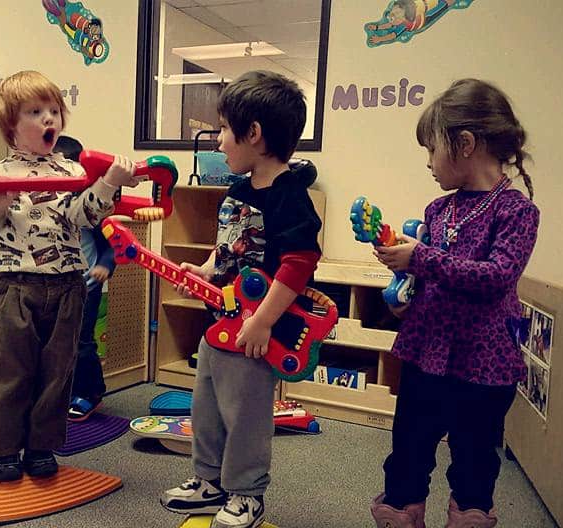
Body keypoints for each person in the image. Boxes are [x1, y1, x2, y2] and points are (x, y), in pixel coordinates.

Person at [370, 78, 540, 528]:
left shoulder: (516, 211)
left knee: (475, 458)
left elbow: (497, 276)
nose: (427, 162)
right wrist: (405, 274)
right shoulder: (437, 211)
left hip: (484, 363)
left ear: (465, 144)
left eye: (432, 150)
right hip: (427, 352)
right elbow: (433, 276)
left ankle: (468, 516)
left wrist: (421, 258)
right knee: (408, 448)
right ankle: (401, 513)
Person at [160, 70, 323, 528]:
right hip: (219, 324)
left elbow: (299, 262)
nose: (218, 144)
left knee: (247, 417)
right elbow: (231, 245)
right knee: (206, 407)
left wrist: (264, 321)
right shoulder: (237, 189)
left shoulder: (290, 195)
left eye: (225, 132)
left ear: (254, 134)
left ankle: (247, 494)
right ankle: (209, 483)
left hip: (254, 332)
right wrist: (206, 270)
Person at [0, 70, 140, 481]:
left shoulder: (70, 171)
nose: (49, 119)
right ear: (12, 124)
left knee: (57, 372)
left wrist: (107, 184)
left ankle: (41, 447)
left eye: (54, 111)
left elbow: (83, 216)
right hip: (17, 286)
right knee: (11, 371)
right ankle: (5, 450)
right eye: (36, 112)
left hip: (68, 285)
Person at [52, 134, 115, 422]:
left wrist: (104, 266)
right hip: (59, 284)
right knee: (59, 341)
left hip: (88, 285)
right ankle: (63, 391)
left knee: (82, 341)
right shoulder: (51, 206)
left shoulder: (89, 208)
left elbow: (109, 246)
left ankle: (91, 392)